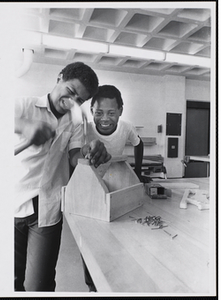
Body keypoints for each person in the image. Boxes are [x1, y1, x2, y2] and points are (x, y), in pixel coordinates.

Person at [14, 62, 111, 291]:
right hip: (11, 203)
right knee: (10, 281)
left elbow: (74, 157)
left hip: (48, 206)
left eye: (79, 100)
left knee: (39, 285)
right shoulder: (24, 105)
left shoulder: (75, 121)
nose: (72, 102)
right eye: (70, 92)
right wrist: (26, 127)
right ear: (59, 78)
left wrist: (90, 153)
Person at [81, 84, 144, 292]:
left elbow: (138, 143)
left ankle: (115, 279)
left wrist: (138, 170)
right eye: (99, 113)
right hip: (90, 187)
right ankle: (92, 285)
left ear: (120, 111)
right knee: (88, 238)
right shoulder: (85, 129)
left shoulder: (126, 127)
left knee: (116, 233)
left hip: (115, 183)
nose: (105, 119)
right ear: (91, 112)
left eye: (111, 113)